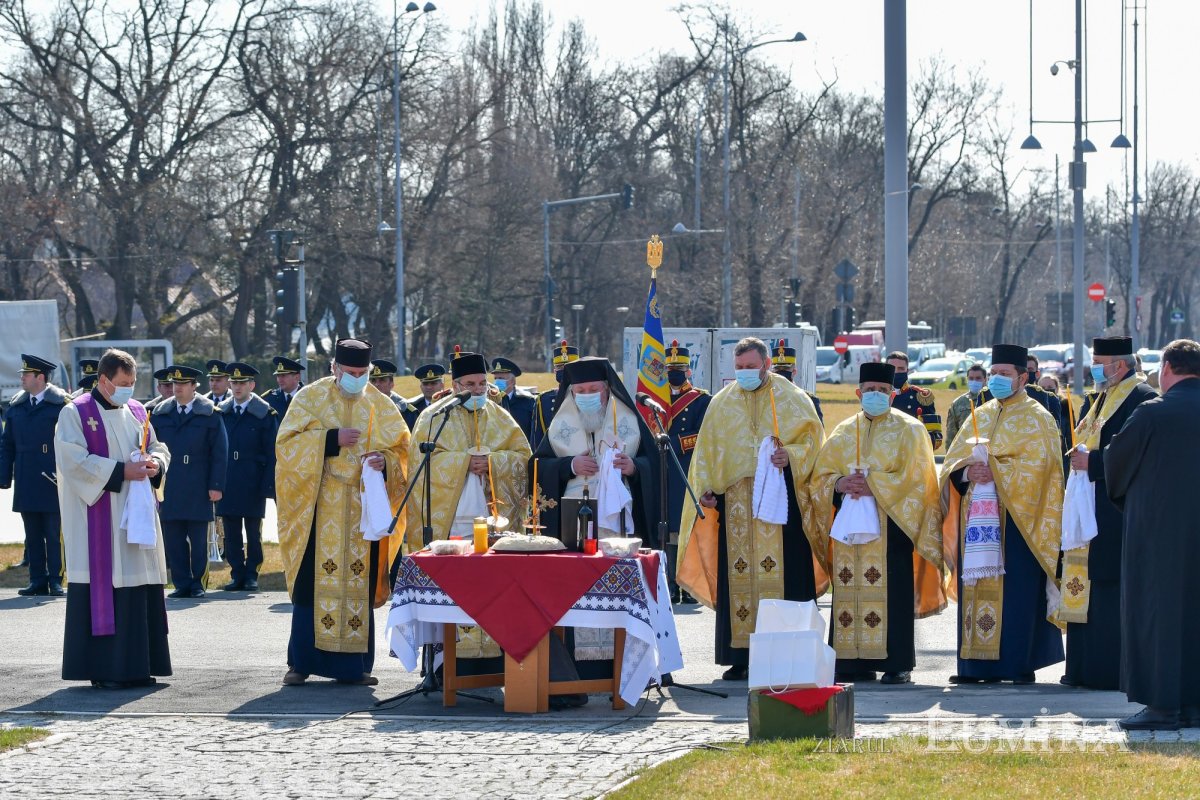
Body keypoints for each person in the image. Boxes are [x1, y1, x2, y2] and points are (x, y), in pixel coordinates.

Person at [677, 337, 826, 681]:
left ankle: (789, 654)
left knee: (787, 576)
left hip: (782, 502)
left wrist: (790, 455)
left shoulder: (792, 398)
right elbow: (707, 455)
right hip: (737, 506)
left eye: (751, 366)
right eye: (739, 367)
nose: (745, 373)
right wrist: (707, 491)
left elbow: (814, 443)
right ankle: (741, 656)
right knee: (739, 577)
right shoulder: (721, 403)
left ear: (767, 364)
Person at [276, 338, 410, 687]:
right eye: (350, 372)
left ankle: (355, 668)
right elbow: (287, 445)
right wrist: (330, 438)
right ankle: (300, 663)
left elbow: (402, 450)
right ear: (334, 368)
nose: (357, 379)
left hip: (363, 509)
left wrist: (385, 461)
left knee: (358, 584)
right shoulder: (311, 398)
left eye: (363, 373)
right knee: (312, 582)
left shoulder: (381, 405)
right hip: (320, 508)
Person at [812, 362, 944, 685]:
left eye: (882, 391)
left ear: (893, 393)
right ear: (859, 392)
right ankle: (850, 661)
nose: (875, 395)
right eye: (870, 390)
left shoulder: (910, 430)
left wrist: (876, 486)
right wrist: (841, 484)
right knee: (848, 589)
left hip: (892, 529)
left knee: (893, 593)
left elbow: (918, 480)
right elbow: (820, 476)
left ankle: (897, 663)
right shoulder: (843, 431)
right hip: (850, 531)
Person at [940, 343, 1064, 684]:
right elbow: (952, 462)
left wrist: (997, 471)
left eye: (1003, 374)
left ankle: (1015, 665)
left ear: (1023, 377)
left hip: (1017, 524)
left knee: (1016, 595)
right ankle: (973, 666)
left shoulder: (1038, 417)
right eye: (993, 374)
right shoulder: (979, 414)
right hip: (977, 517)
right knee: (976, 586)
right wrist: (968, 473)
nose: (995, 379)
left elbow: (1046, 469)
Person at [404, 349, 531, 677]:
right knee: (452, 590)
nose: (476, 390)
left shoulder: (500, 417)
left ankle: (492, 661)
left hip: (492, 523)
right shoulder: (434, 416)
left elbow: (522, 457)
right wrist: (463, 462)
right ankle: (442, 662)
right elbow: (420, 464)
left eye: (481, 383)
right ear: (455, 384)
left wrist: (491, 462)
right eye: (469, 384)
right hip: (451, 525)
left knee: (491, 588)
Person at [55, 348, 171, 689]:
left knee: (138, 588)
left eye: (133, 382)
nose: (129, 389)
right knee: (107, 586)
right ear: (104, 380)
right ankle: (107, 671)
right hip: (100, 523)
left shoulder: (136, 411)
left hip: (136, 520)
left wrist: (155, 465)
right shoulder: (75, 413)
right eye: (123, 382)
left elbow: (159, 446)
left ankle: (139, 667)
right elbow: (73, 460)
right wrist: (123, 471)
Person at [1106, 339, 1200, 730]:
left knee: (1157, 616)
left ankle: (1163, 706)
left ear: (1166, 368)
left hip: (1158, 534)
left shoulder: (1151, 413)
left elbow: (1116, 461)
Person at [1059, 336, 1156, 691]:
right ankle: (1082, 668)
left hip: (1113, 507)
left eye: (1101, 363)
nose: (1095, 369)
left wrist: (1094, 463)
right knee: (1084, 586)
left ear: (1122, 365)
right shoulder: (1097, 399)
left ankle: (1108, 671)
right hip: (1086, 505)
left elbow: (1135, 454)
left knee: (1108, 588)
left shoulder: (1142, 399)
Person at [150, 365, 228, 599]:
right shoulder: (160, 413)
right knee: (173, 537)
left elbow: (220, 452)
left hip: (198, 484)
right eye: (175, 384)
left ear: (194, 387)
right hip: (170, 484)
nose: (178, 388)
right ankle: (181, 582)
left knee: (197, 539)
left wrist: (216, 485)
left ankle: (197, 583)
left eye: (183, 384)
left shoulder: (210, 413)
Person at [1, 355, 67, 596]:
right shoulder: (17, 406)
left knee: (54, 533)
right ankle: (37, 579)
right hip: (27, 478)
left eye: (26, 375)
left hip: (52, 479)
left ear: (40, 377)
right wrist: (4, 475)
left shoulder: (61, 405)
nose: (22, 378)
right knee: (32, 534)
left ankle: (55, 579)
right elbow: (6, 444)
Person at [216, 363, 278, 592]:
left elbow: (272, 452)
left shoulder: (264, 413)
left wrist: (267, 484)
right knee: (231, 533)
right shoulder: (222, 412)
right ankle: (237, 573)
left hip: (252, 479)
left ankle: (252, 574)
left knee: (253, 532)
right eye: (234, 383)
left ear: (252, 385)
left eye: (243, 383)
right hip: (228, 478)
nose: (238, 387)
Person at [660, 340, 709, 604]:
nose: (675, 374)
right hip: (663, 469)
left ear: (688, 370)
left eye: (679, 369)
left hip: (687, 468)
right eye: (670, 369)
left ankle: (689, 585)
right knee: (666, 527)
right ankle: (668, 582)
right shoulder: (657, 400)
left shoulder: (702, 400)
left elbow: (703, 435)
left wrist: (675, 442)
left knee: (686, 527)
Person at [530, 340, 579, 453]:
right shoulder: (543, 400)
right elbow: (537, 441)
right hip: (554, 463)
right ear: (554, 371)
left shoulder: (588, 397)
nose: (564, 370)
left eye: (569, 366)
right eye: (560, 367)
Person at [887, 351, 942, 450]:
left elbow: (935, 437)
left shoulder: (922, 396)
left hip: (914, 452)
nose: (896, 372)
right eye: (892, 369)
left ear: (907, 371)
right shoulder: (878, 397)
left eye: (901, 369)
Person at [772, 340, 823, 422]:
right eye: (777, 369)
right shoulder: (766, 398)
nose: (781, 372)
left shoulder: (809, 399)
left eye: (785, 369)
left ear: (794, 371)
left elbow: (819, 431)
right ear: (772, 372)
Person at [490, 356, 537, 443]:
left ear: (512, 381)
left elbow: (534, 432)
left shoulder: (527, 401)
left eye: (501, 378)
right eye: (495, 378)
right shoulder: (490, 401)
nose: (497, 382)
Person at [403, 363, 446, 430]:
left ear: (442, 385)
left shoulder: (450, 403)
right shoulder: (412, 409)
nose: (429, 387)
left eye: (433, 383)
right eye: (425, 384)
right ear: (421, 386)